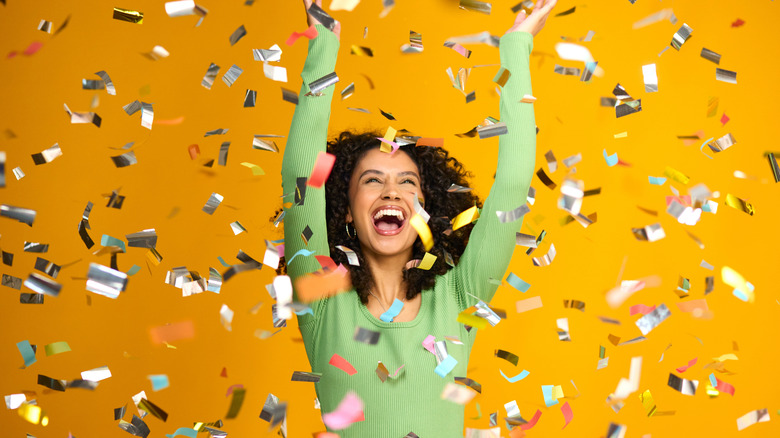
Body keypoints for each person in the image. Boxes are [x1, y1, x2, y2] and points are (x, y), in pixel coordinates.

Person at [280, 0, 556, 436]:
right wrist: (324, 40)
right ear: (345, 209)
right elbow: (301, 172)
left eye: (407, 183)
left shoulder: (460, 295)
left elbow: (513, 183)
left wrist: (516, 48)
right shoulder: (322, 298)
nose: (392, 191)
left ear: (426, 210)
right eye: (372, 180)